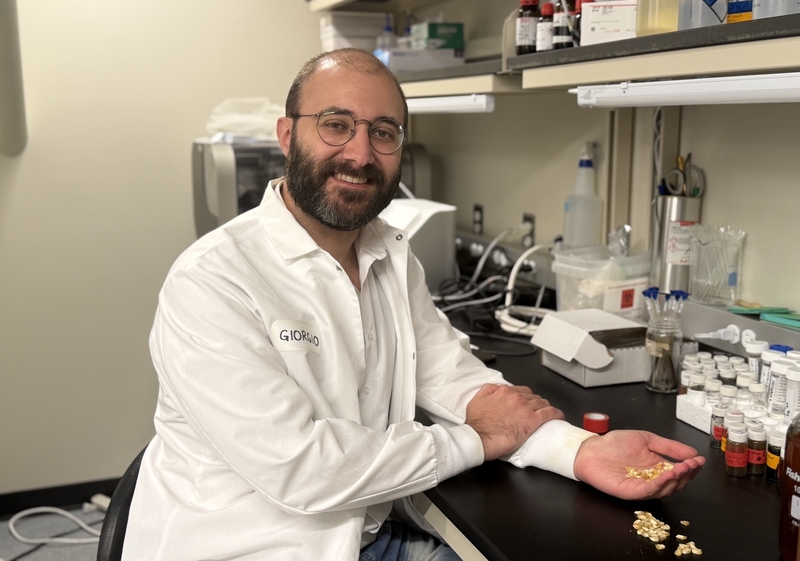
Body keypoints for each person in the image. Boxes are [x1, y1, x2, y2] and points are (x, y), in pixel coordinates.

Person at [123, 48, 705, 561]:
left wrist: (582, 452)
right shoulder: (213, 281)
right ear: (286, 135)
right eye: (335, 125)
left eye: (384, 132)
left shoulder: (388, 257)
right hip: (253, 546)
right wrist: (476, 440)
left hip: (367, 536)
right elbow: (302, 470)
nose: (360, 153)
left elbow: (454, 379)